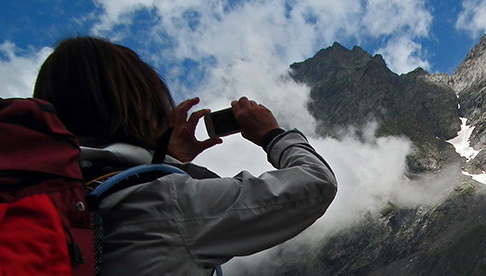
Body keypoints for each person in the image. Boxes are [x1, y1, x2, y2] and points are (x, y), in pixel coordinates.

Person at [33, 36, 337, 276]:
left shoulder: (41, 195)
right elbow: (315, 183)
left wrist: (168, 159)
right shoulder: (166, 201)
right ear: (140, 106)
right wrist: (272, 135)